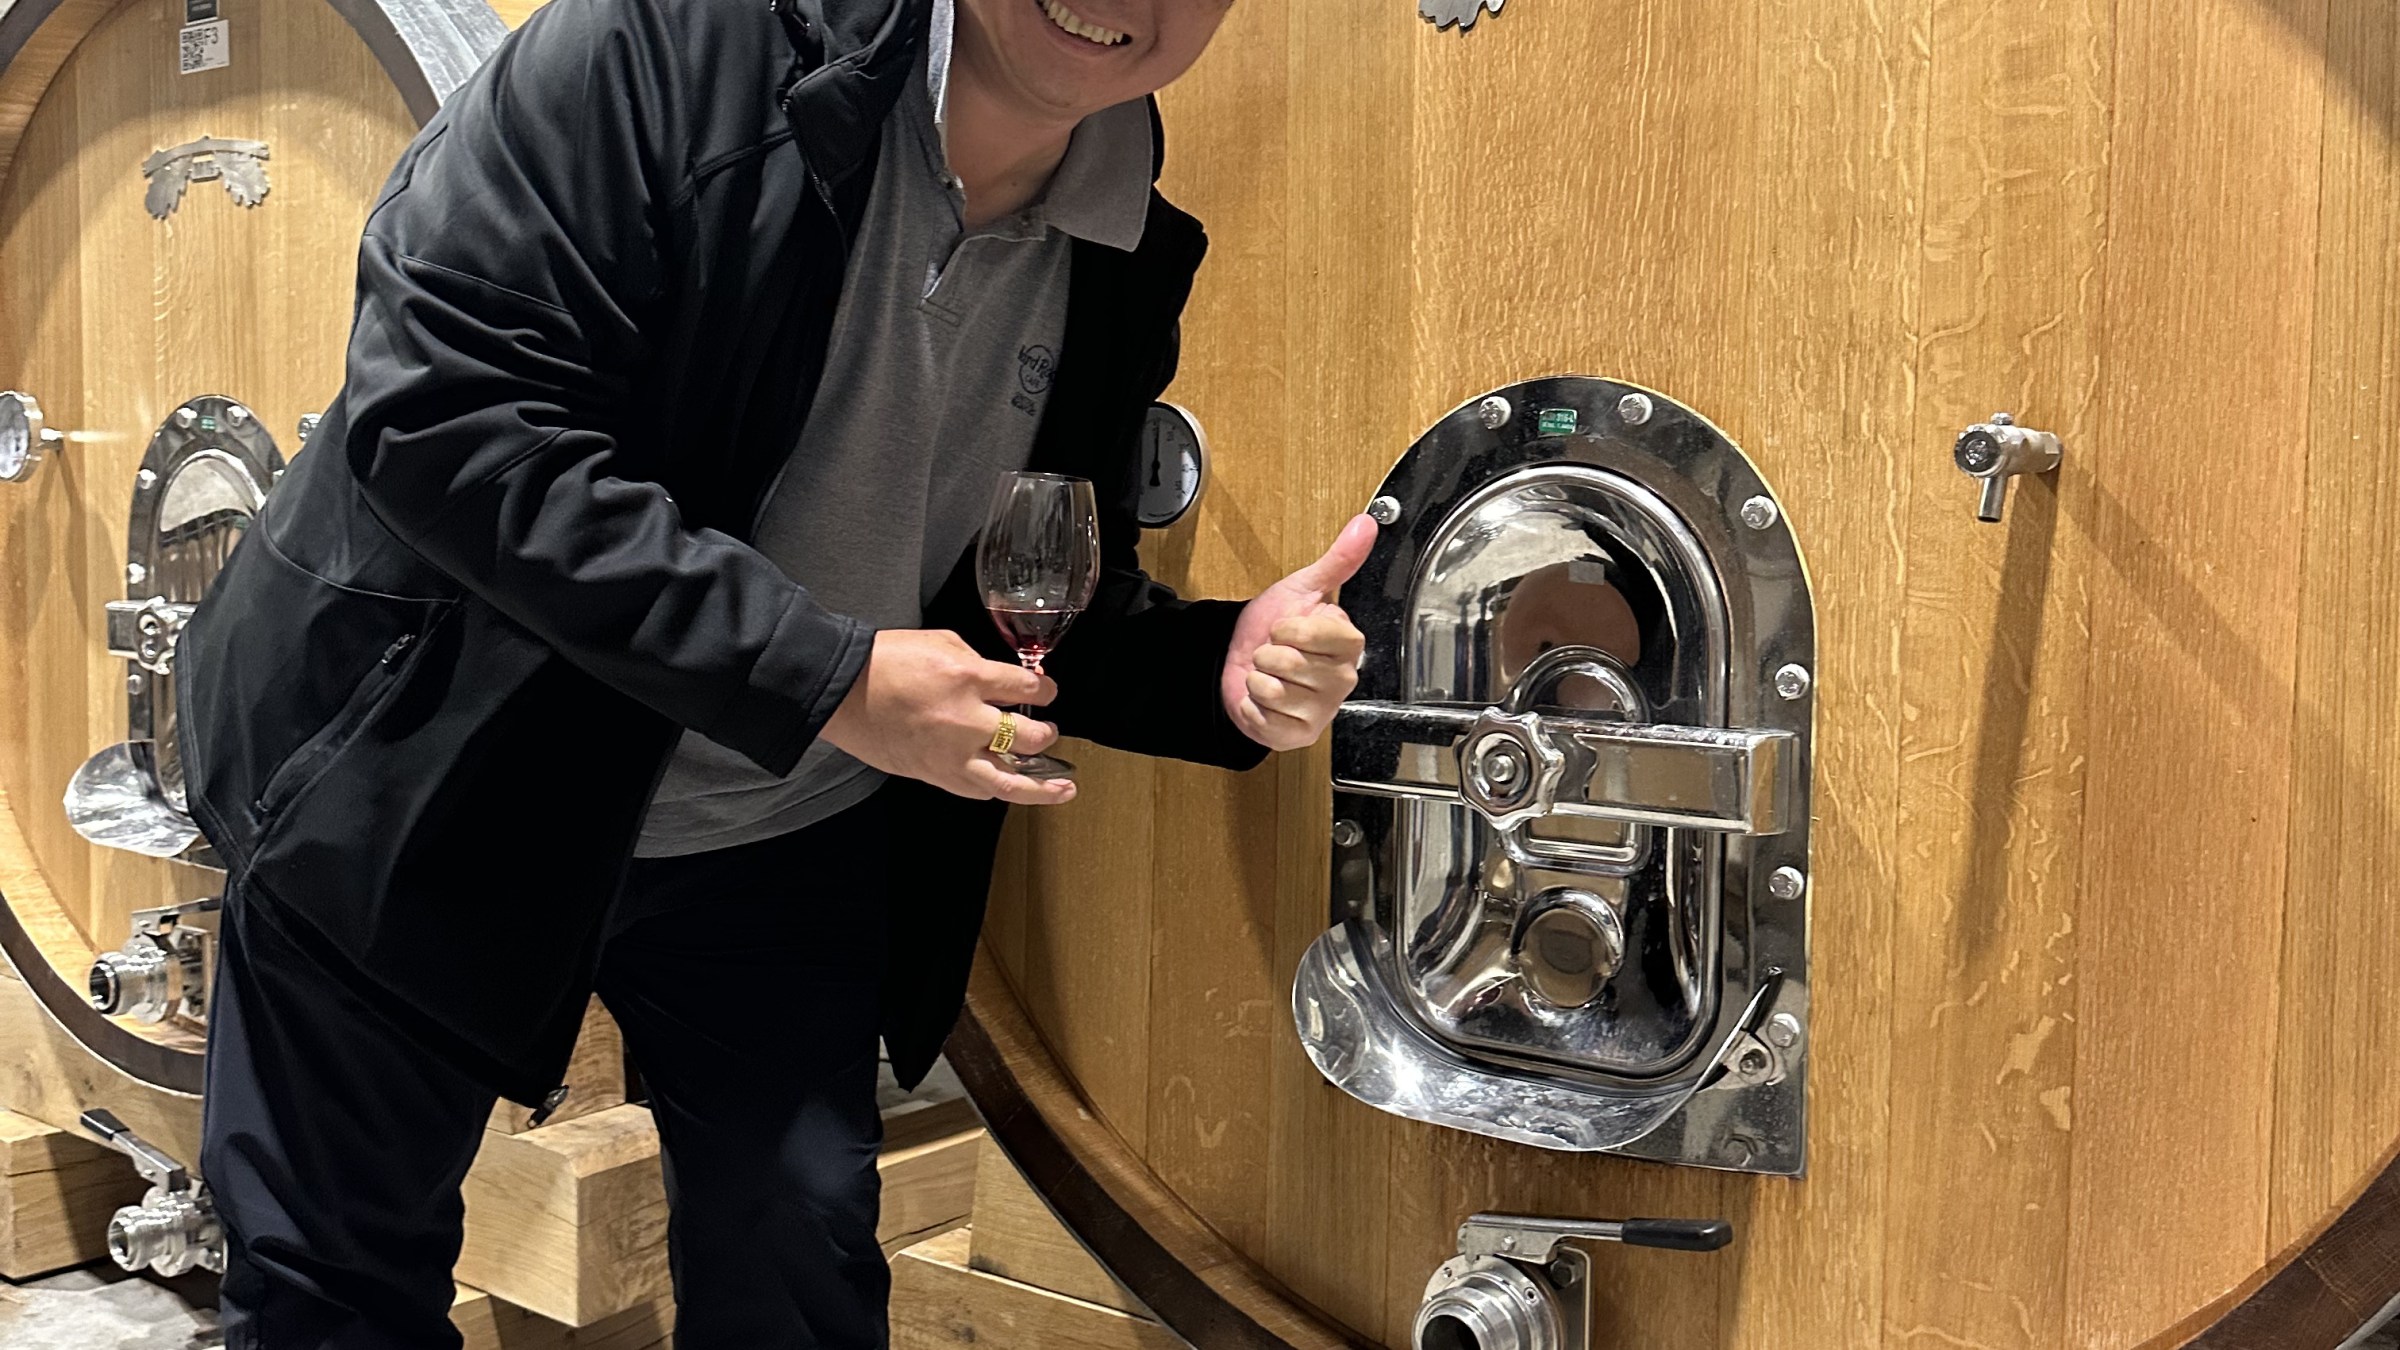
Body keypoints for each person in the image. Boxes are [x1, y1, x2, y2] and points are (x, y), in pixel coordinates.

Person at [172, 0, 1373, 1343]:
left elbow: (1017, 589)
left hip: (772, 823)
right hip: (430, 767)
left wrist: (1218, 661)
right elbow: (445, 412)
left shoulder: (1117, 221)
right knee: (336, 1292)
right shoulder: (658, 47)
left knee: (798, 1271)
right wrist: (833, 676)